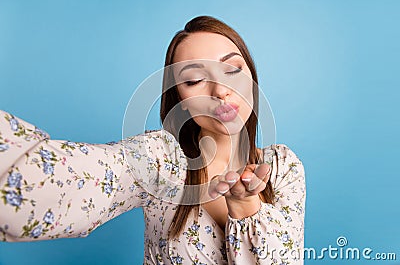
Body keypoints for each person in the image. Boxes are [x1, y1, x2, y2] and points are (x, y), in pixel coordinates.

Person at [0, 16, 306, 264]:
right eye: (194, 80)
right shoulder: (160, 160)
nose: (220, 91)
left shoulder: (283, 168)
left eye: (232, 69)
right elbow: (69, 180)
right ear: (181, 101)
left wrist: (247, 205)